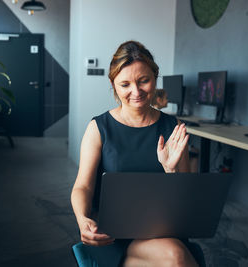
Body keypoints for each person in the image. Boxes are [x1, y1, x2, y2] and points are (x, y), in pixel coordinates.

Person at [71, 41, 199, 266]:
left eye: (144, 81)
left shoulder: (173, 127)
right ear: (114, 85)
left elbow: (187, 202)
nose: (136, 92)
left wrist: (170, 170)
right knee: (176, 257)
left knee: (176, 254)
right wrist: (82, 219)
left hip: (164, 230)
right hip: (117, 235)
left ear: (155, 78)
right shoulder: (99, 128)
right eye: (125, 84)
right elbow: (83, 186)